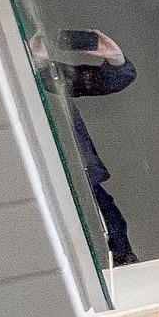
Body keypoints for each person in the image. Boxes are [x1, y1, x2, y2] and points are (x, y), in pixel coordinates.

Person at [30, 30, 140, 265]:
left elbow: (111, 79)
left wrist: (114, 58)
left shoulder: (43, 75)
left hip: (80, 176)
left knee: (114, 236)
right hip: (46, 181)